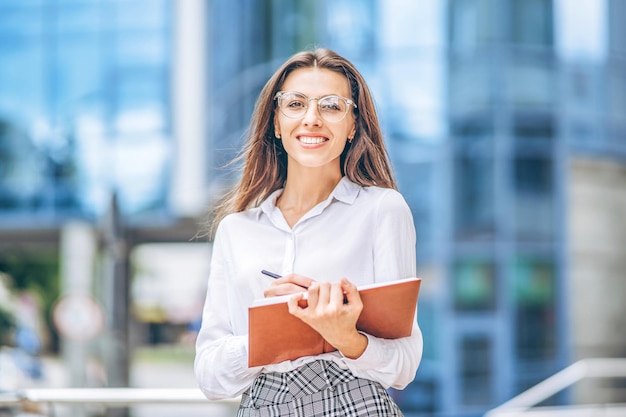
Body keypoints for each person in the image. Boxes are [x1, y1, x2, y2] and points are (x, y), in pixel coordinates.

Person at [194, 47, 422, 416]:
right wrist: (274, 330)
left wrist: (344, 336)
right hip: (262, 405)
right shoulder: (236, 229)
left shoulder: (382, 209)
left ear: (352, 125)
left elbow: (404, 364)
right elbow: (209, 376)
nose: (312, 119)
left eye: (331, 106)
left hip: (353, 402)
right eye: (296, 104)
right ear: (275, 121)